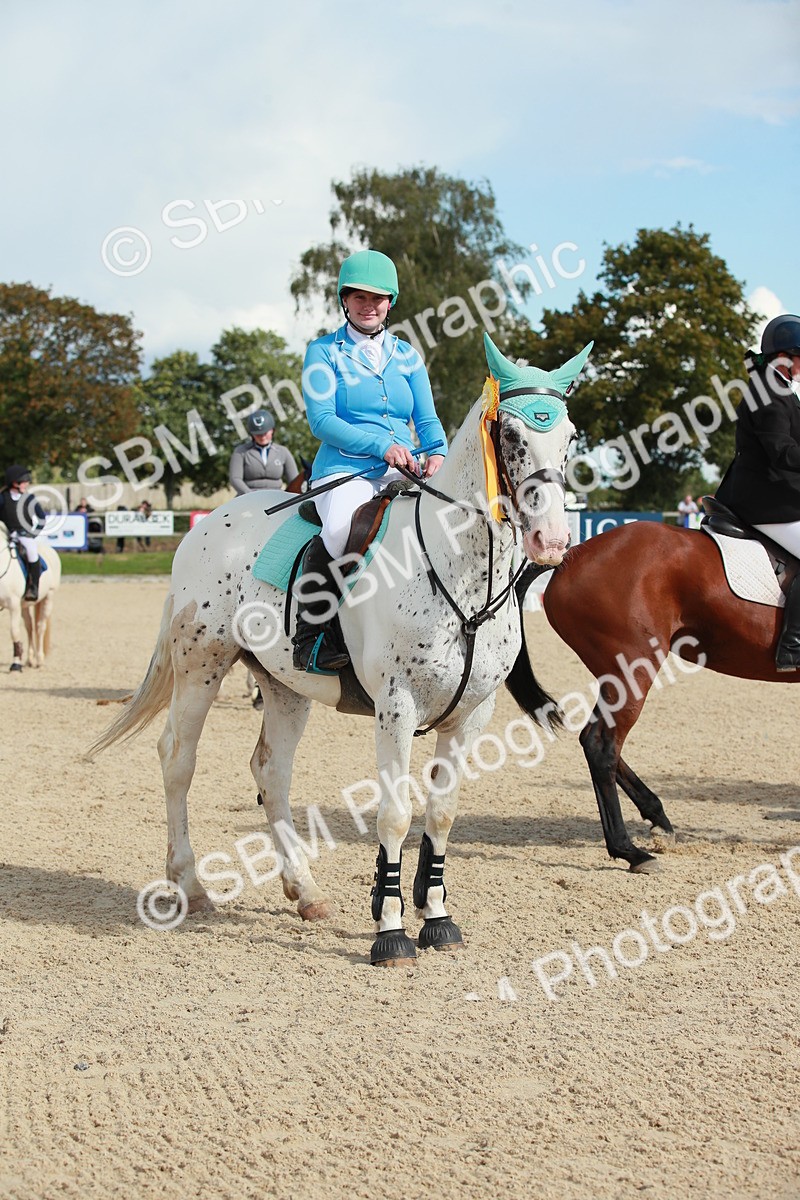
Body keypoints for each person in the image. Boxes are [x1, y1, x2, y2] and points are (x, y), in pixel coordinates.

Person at [292, 248, 448, 674]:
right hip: (346, 470)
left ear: (390, 303)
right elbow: (322, 421)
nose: (368, 305)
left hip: (407, 470)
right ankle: (311, 638)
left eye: (377, 298)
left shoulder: (408, 355)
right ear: (344, 299)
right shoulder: (323, 352)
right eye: (358, 297)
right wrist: (381, 446)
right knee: (339, 529)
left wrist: (438, 451)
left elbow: (426, 419)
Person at [715, 313, 800, 670]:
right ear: (784, 356)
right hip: (764, 500)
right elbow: (781, 450)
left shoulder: (780, 387)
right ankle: (794, 644)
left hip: (778, 492)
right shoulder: (768, 391)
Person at [0, 465, 47, 600]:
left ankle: (33, 587)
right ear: (15, 483)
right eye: (25, 481)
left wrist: (32, 534)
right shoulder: (2, 498)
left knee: (32, 552)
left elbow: (41, 518)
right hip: (6, 534)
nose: (27, 484)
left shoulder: (29, 499)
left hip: (24, 535)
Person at [229, 409, 299, 495]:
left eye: (265, 433)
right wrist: (249, 494)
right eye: (258, 434)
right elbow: (235, 478)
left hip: (277, 496)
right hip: (248, 496)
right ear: (252, 434)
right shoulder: (240, 451)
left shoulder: (283, 451)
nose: (262, 437)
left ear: (272, 430)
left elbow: (294, 480)